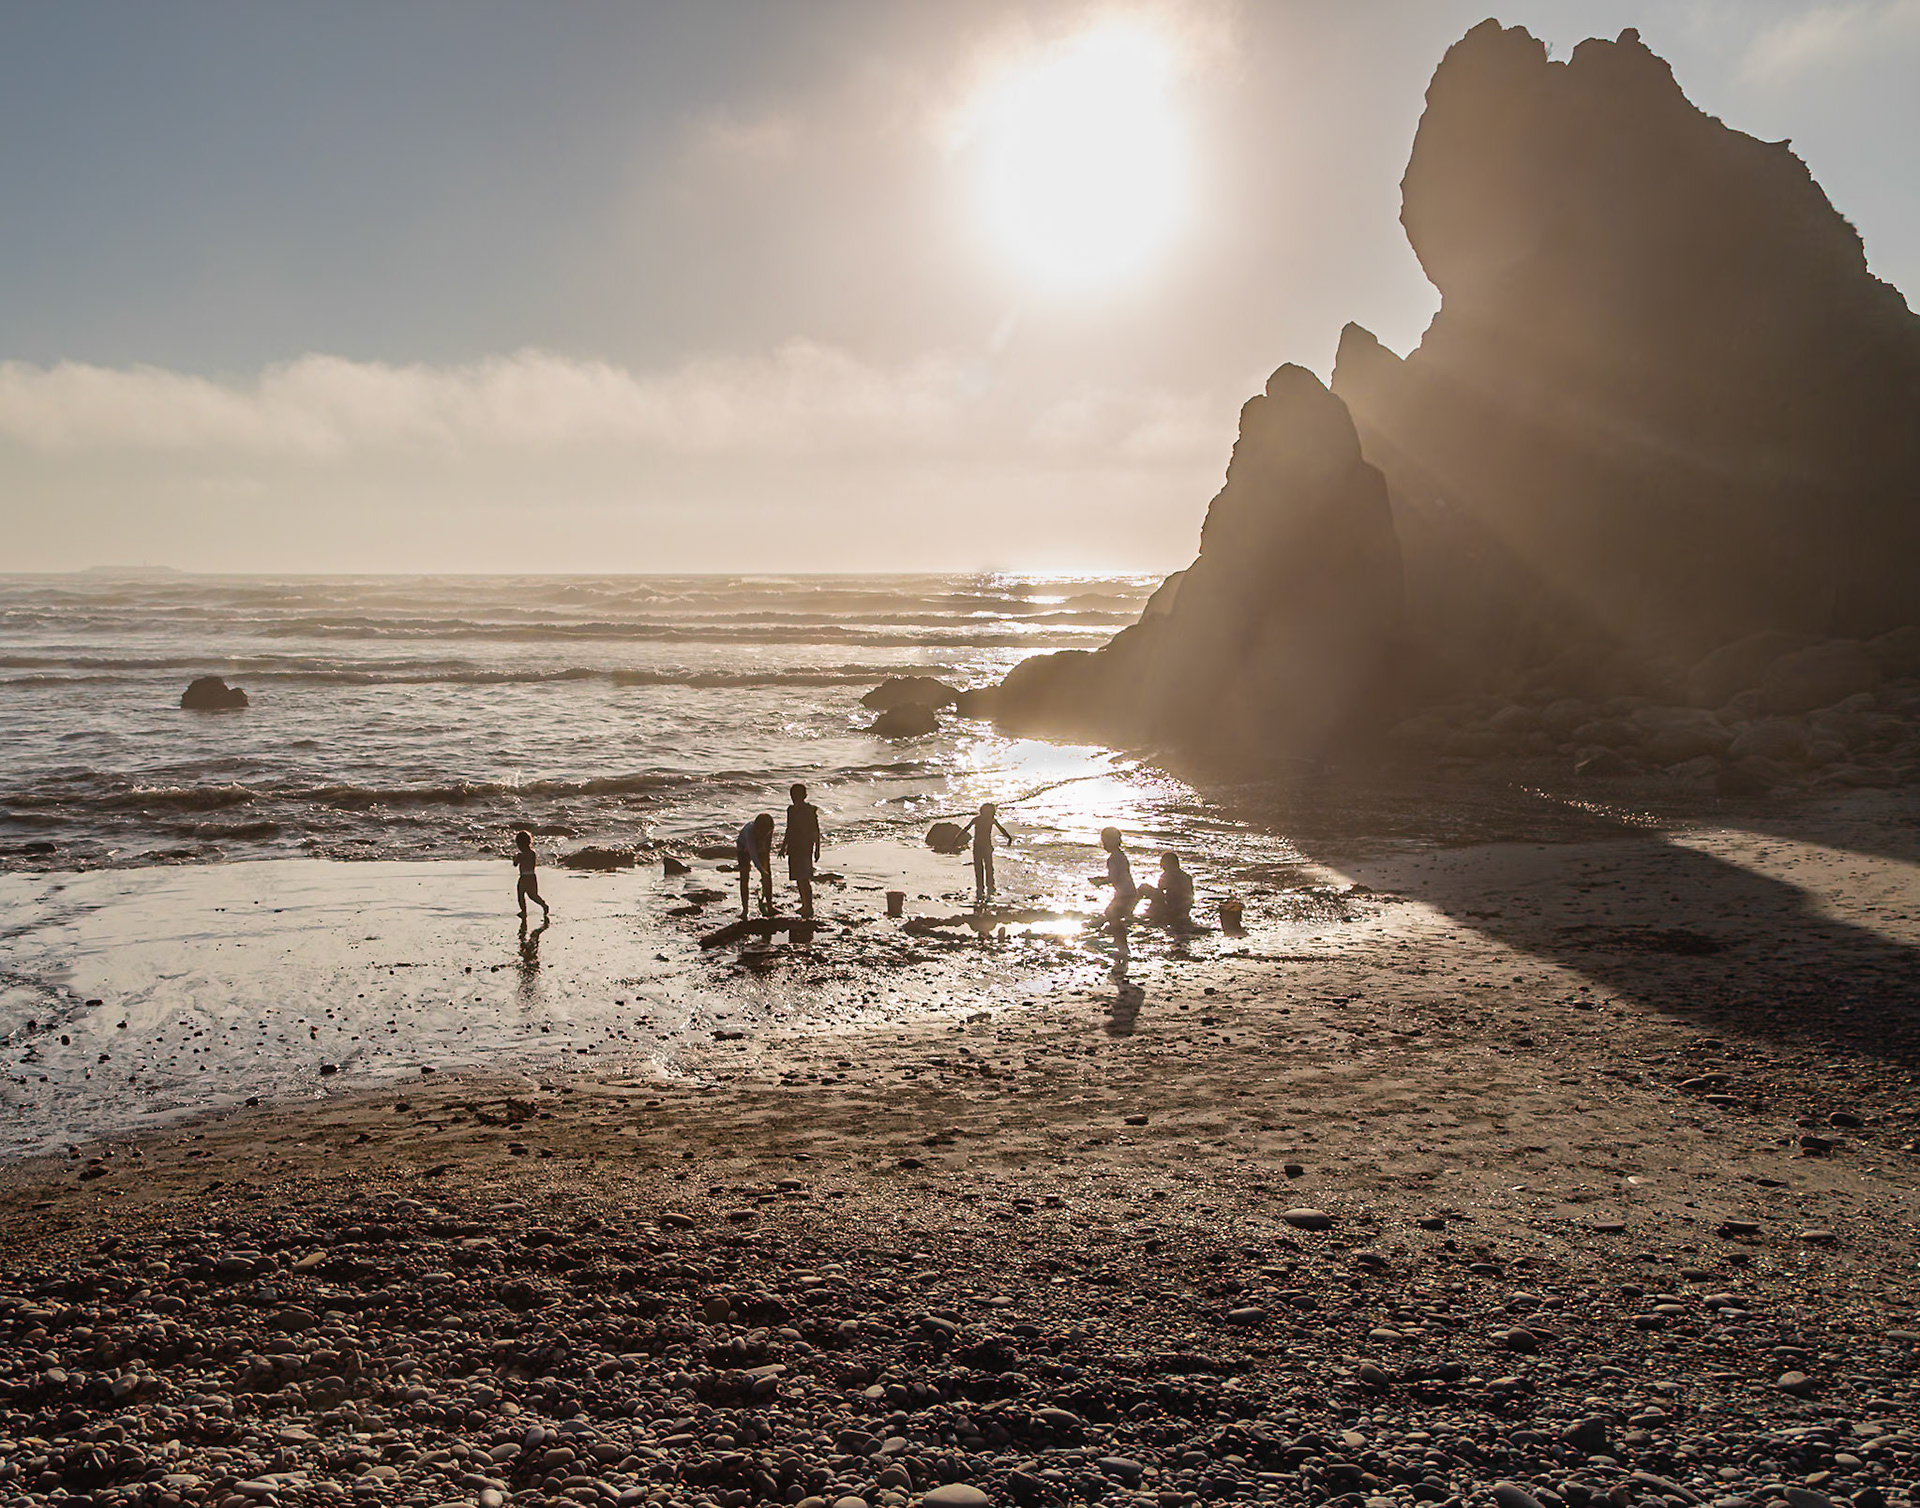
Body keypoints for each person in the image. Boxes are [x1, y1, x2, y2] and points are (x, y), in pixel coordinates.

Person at [778, 783, 823, 919]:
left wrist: (817, 849)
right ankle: (805, 905)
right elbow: (789, 829)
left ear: (804, 796)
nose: (794, 798)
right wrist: (784, 846)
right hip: (794, 847)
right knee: (798, 877)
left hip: (805, 847)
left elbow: (815, 831)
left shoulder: (810, 810)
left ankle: (808, 906)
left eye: (796, 795)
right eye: (793, 796)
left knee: (804, 877)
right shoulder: (791, 810)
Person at [960, 801, 1013, 905]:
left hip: (986, 846)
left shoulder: (990, 820)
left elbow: (1001, 829)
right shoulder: (978, 819)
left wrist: (1008, 837)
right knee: (980, 867)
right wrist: (957, 837)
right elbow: (966, 828)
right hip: (979, 846)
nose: (988, 814)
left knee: (988, 867)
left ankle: (989, 886)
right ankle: (981, 886)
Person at [1096, 826, 1138, 928]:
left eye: (1104, 841)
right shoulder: (1121, 855)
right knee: (1116, 913)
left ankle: (1119, 932)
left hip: (1124, 894)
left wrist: (1100, 882)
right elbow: (1118, 874)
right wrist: (1103, 878)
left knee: (1110, 913)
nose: (1103, 844)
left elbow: (1113, 878)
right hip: (1129, 892)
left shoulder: (1112, 859)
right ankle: (1122, 928)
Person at [736, 813, 776, 918]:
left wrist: (765, 869)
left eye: (766, 833)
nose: (764, 835)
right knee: (744, 877)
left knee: (768, 874)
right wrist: (761, 870)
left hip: (760, 848)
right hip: (743, 848)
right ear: (757, 828)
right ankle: (745, 910)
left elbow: (767, 849)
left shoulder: (769, 829)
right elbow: (753, 853)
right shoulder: (749, 831)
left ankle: (770, 905)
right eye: (762, 833)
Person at [1139, 852, 1194, 926]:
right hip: (1183, 911)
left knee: (1143, 888)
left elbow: (1159, 894)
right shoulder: (1187, 877)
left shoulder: (1166, 876)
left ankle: (1128, 912)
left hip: (1171, 911)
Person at [512, 830, 550, 922]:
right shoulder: (525, 854)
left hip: (529, 877)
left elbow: (528, 862)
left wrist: (519, 857)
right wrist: (516, 859)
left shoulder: (531, 853)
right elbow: (515, 864)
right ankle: (524, 911)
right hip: (525, 877)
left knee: (532, 895)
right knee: (521, 895)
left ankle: (544, 905)